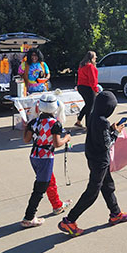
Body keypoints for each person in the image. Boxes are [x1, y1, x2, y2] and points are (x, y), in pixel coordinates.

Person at [59, 91, 127, 236]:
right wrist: (116, 132)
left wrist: (110, 129)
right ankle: (69, 220)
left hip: (93, 157)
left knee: (108, 186)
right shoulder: (103, 121)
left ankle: (115, 213)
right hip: (100, 160)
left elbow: (98, 136)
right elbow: (107, 144)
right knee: (92, 192)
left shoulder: (93, 115)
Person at [21, 94, 72, 228]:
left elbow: (26, 140)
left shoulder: (34, 122)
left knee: (49, 180)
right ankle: (29, 217)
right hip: (46, 157)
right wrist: (66, 138)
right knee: (40, 188)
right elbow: (56, 143)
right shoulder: (55, 124)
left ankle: (57, 205)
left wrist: (27, 127)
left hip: (34, 156)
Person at [75, 51, 99, 128]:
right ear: (92, 58)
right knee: (90, 107)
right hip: (88, 87)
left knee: (88, 105)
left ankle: (79, 120)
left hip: (81, 86)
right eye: (95, 56)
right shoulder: (90, 66)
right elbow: (92, 80)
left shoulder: (82, 65)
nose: (96, 58)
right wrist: (96, 90)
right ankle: (88, 126)